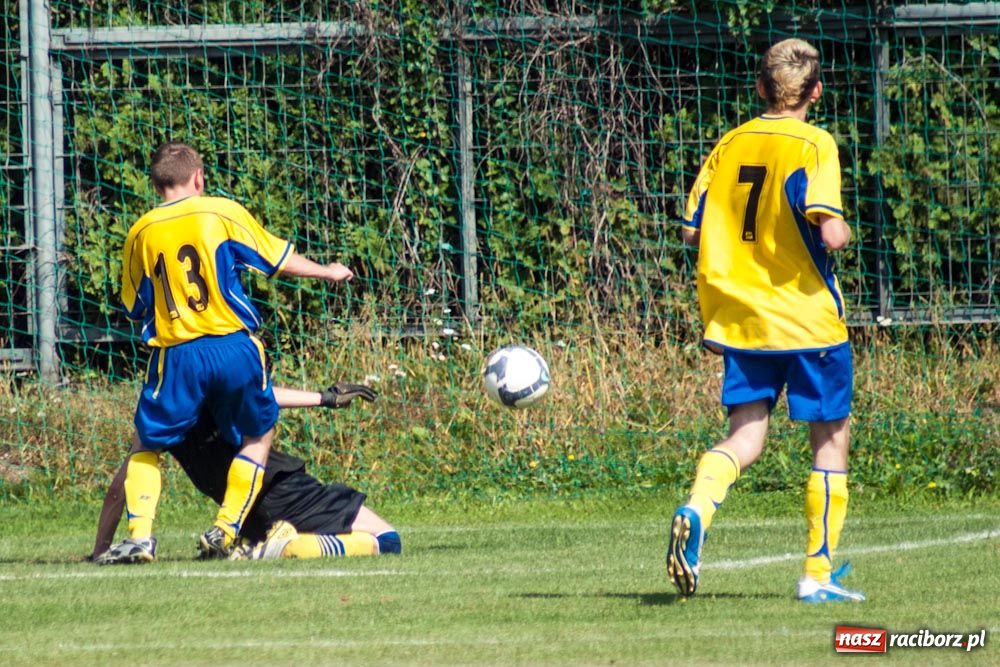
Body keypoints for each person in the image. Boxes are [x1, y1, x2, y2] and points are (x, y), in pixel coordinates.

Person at [666, 39, 863, 603]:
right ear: (817, 92)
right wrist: (841, 233)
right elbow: (829, 230)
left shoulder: (730, 143)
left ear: (760, 88)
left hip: (742, 320)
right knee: (829, 440)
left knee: (745, 435)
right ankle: (817, 577)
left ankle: (696, 508)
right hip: (807, 321)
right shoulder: (815, 143)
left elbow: (691, 228)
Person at [111, 141, 353, 562]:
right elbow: (277, 260)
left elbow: (134, 307)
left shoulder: (141, 232)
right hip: (233, 346)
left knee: (148, 445)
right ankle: (225, 529)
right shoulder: (221, 212)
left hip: (177, 355)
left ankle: (140, 537)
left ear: (157, 183)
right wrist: (327, 272)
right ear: (198, 178)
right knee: (259, 432)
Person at [94, 383, 401, 563]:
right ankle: (292, 545)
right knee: (389, 540)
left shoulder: (157, 413)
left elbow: (119, 488)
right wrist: (324, 397)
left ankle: (258, 542)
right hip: (286, 490)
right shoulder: (212, 382)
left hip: (244, 513)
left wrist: (100, 549)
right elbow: (263, 395)